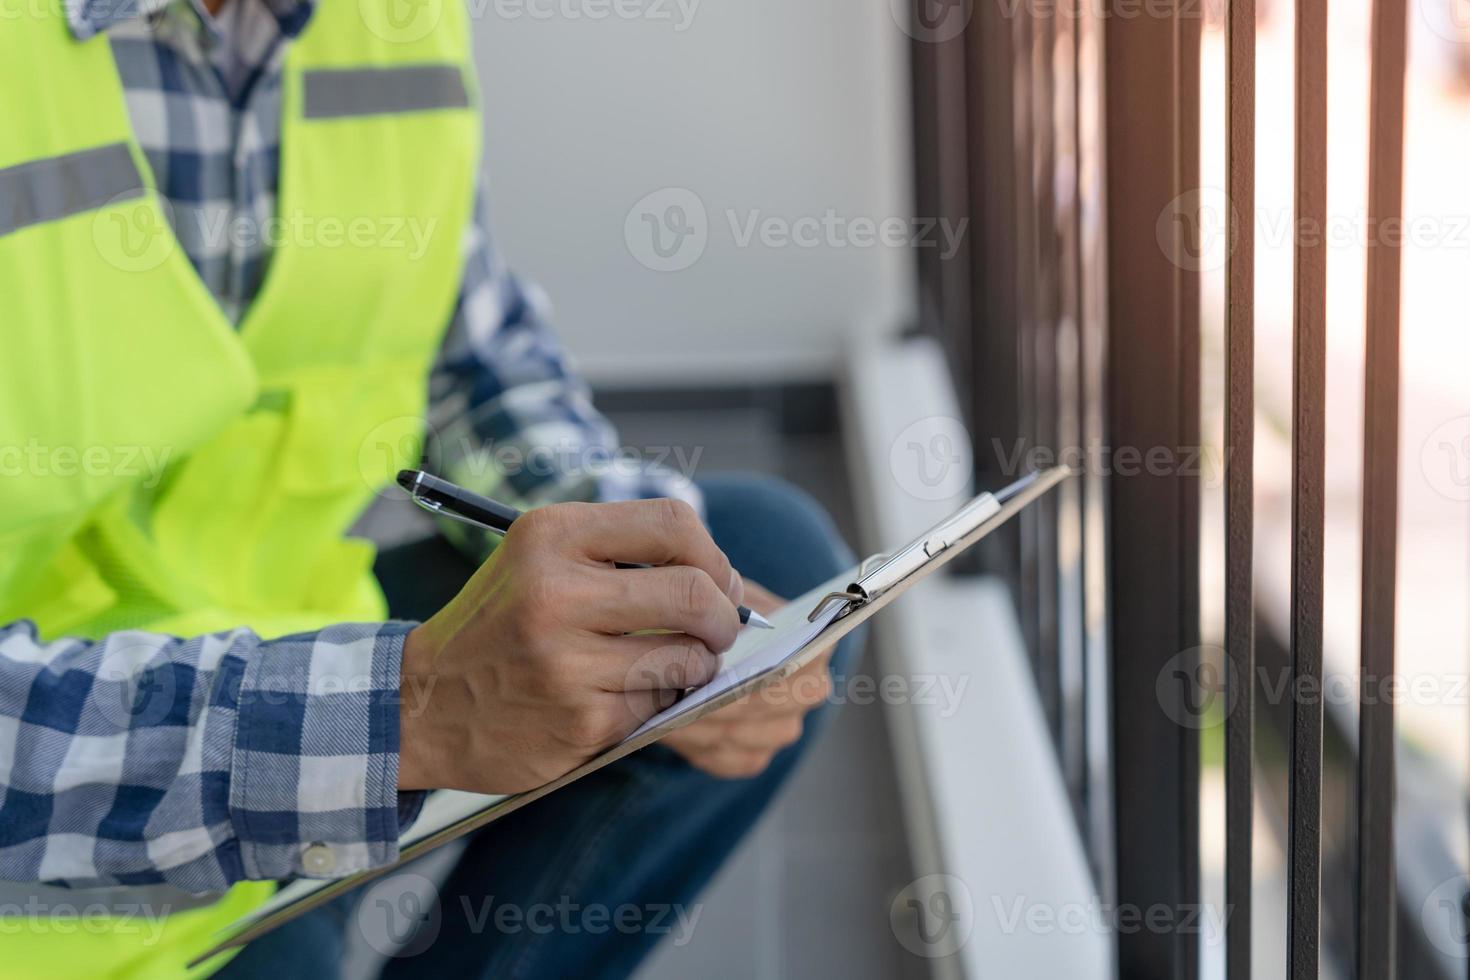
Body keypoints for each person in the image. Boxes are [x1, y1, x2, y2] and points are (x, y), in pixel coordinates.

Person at [0, 0, 861, 975]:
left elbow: (470, 362)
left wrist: (615, 552)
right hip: (58, 809)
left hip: (302, 645)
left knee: (756, 561)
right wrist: (395, 717)